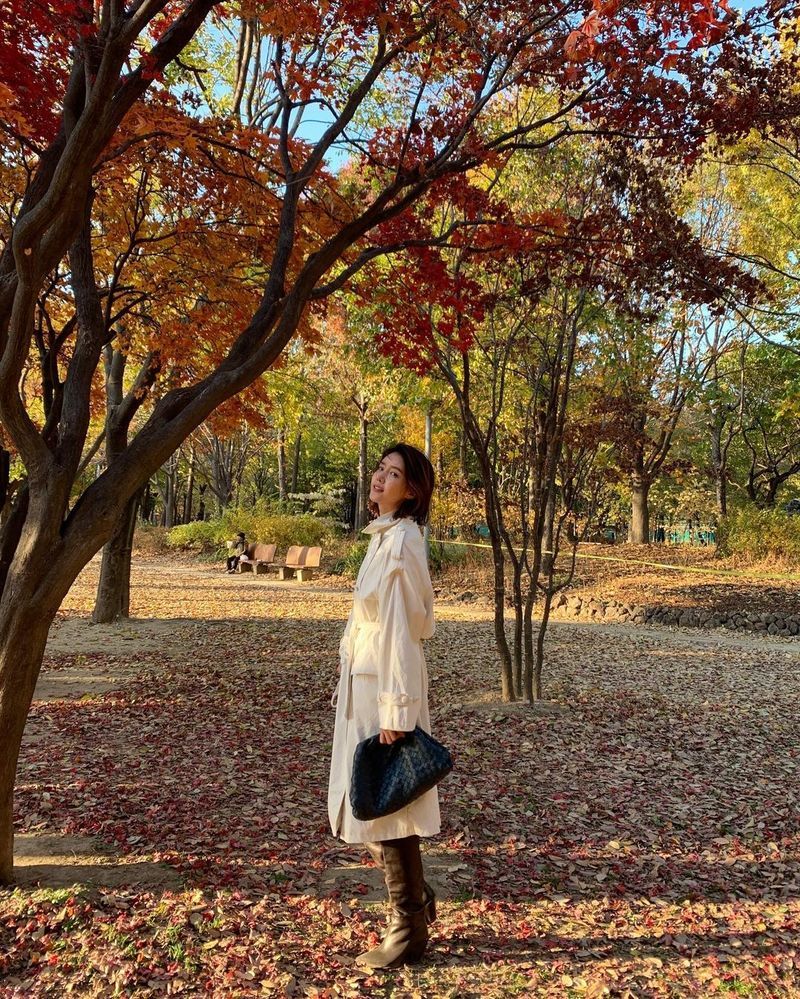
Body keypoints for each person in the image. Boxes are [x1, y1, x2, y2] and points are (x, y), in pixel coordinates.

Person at [328, 443, 439, 969]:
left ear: (411, 490)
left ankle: (408, 925)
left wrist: (395, 709)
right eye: (379, 469)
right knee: (368, 802)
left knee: (386, 807)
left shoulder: (402, 542)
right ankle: (415, 898)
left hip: (384, 689)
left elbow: (401, 628)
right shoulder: (384, 537)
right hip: (365, 683)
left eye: (393, 474)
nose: (379, 478)